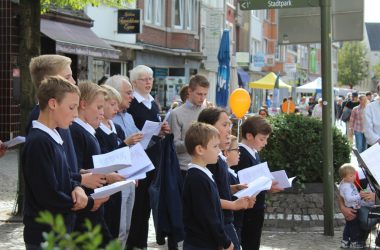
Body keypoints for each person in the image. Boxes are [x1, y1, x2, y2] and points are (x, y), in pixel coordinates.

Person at [22, 76, 107, 249]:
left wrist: (76, 186)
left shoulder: (54, 137)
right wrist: (89, 202)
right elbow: (48, 195)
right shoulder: (39, 142)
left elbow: (65, 175)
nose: (76, 114)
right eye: (71, 107)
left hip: (60, 232)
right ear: (52, 104)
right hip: (44, 236)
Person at [27, 54, 106, 191]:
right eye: (67, 77)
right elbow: (47, 179)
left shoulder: (60, 115)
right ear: (49, 83)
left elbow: (64, 164)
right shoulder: (41, 118)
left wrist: (79, 176)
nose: (74, 81)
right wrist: (79, 184)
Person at [126, 65, 170, 250]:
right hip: (138, 159)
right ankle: (134, 242)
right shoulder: (132, 104)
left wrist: (162, 130)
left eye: (150, 78)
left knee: (148, 207)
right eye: (144, 79)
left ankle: (142, 243)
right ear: (134, 82)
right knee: (138, 205)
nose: (148, 82)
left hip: (153, 158)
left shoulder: (153, 103)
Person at [70, 81, 119, 245]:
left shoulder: (88, 131)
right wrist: (105, 176)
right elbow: (75, 169)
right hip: (86, 209)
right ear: (83, 105)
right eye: (98, 108)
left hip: (93, 206)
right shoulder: (77, 132)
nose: (102, 113)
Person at [199, 107, 251, 250]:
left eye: (230, 125)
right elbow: (208, 199)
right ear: (208, 129)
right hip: (217, 226)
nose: (229, 130)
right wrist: (234, 205)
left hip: (225, 222)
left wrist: (234, 189)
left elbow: (216, 190)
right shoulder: (209, 161)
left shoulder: (219, 158)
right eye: (224, 125)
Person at [104, 75, 142, 249]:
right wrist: (126, 142)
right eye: (128, 93)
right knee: (116, 226)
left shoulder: (128, 117)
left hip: (131, 176)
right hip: (115, 179)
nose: (131, 96)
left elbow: (137, 146)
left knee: (127, 226)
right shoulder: (106, 121)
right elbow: (107, 153)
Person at [234, 116, 283, 250]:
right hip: (247, 210)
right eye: (262, 139)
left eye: (266, 139)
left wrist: (268, 185)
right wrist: (266, 185)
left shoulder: (254, 152)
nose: (265, 143)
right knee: (248, 243)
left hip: (256, 207)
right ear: (249, 136)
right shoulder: (242, 155)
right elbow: (243, 184)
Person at [182, 122, 233, 250]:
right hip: (199, 244)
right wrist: (225, 241)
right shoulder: (197, 178)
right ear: (200, 150)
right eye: (215, 146)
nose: (219, 150)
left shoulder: (204, 173)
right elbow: (208, 216)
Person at [169, 75, 209, 177]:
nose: (203, 98)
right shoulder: (176, 113)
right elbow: (175, 146)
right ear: (190, 91)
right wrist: (195, 143)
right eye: (199, 94)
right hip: (184, 168)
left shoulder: (206, 111)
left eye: (205, 94)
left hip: (205, 167)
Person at [338, 163, 366, 248]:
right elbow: (348, 198)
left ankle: (345, 241)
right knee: (354, 226)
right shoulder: (346, 187)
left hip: (353, 206)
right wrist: (359, 196)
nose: (354, 177)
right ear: (344, 177)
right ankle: (354, 242)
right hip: (352, 208)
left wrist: (360, 197)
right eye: (351, 175)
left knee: (349, 225)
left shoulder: (348, 182)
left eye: (354, 174)